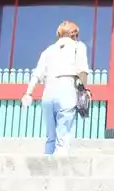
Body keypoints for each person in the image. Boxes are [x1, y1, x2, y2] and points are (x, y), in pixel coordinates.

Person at [21, 20, 90, 156]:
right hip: (66, 89)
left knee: (50, 138)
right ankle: (60, 166)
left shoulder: (48, 50)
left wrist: (28, 93)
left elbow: (36, 74)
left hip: (48, 92)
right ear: (74, 34)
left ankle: (47, 164)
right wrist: (84, 90)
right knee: (63, 138)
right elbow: (82, 70)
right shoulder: (78, 46)